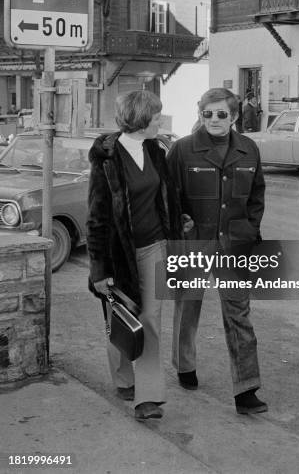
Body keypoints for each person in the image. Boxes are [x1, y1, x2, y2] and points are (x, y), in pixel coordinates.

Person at [167, 88, 268, 414]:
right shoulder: (182, 150)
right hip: (193, 242)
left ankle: (246, 388)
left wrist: (249, 230)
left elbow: (256, 197)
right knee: (188, 309)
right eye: (207, 114)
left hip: (235, 243)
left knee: (239, 316)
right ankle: (185, 366)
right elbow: (169, 196)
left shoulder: (249, 150)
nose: (213, 120)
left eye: (221, 114)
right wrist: (178, 223)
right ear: (200, 114)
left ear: (234, 116)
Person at [86, 90, 184, 421]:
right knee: (122, 317)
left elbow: (167, 199)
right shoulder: (107, 157)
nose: (161, 120)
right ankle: (123, 378)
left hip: (154, 246)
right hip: (119, 254)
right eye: (156, 115)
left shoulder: (156, 150)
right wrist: (100, 269)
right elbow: (97, 216)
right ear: (141, 118)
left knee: (151, 320)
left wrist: (176, 233)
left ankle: (148, 397)